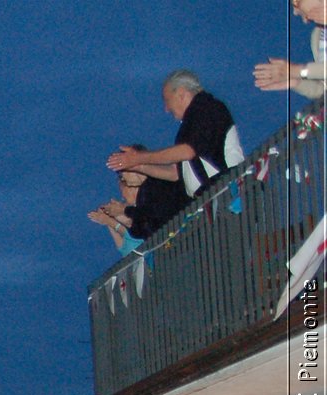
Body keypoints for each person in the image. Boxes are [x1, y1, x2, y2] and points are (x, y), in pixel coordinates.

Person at [107, 71, 243, 199]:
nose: (166, 109)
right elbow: (176, 173)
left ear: (181, 94)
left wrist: (138, 158)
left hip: (227, 190)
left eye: (167, 100)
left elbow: (188, 151)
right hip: (214, 195)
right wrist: (139, 166)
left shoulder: (208, 108)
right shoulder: (192, 121)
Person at [88, 161, 188, 254]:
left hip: (184, 240)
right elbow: (140, 232)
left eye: (123, 176)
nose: (124, 180)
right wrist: (117, 218)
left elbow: (156, 212)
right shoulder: (144, 196)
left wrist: (122, 212)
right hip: (171, 250)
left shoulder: (157, 184)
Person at [254, 0, 327, 98]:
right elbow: (323, 90)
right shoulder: (317, 35)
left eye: (296, 2)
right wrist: (295, 81)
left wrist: (297, 71)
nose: (295, 12)